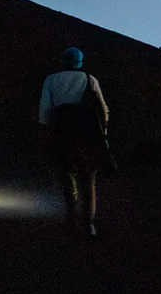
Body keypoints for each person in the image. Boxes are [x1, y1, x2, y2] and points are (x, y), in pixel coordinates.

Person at [38, 47, 111, 237]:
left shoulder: (51, 80)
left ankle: (71, 219)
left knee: (66, 177)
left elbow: (45, 111)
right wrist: (102, 134)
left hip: (61, 133)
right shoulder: (89, 79)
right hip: (86, 135)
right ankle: (89, 224)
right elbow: (103, 109)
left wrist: (47, 133)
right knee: (88, 180)